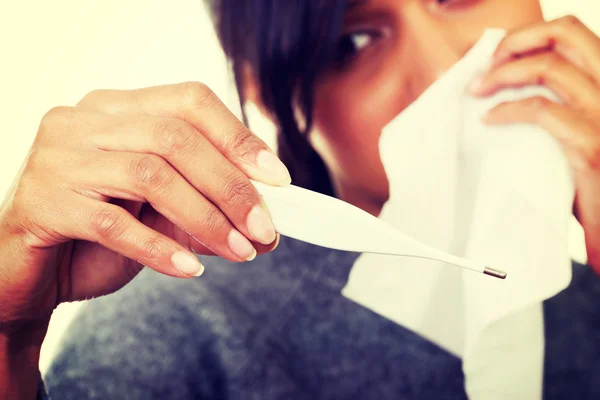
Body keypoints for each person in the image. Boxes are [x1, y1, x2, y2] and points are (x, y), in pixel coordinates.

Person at [1, 0, 600, 398]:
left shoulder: (586, 294)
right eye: (357, 40)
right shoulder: (183, 329)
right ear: (265, 89)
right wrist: (10, 343)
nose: (446, 67)